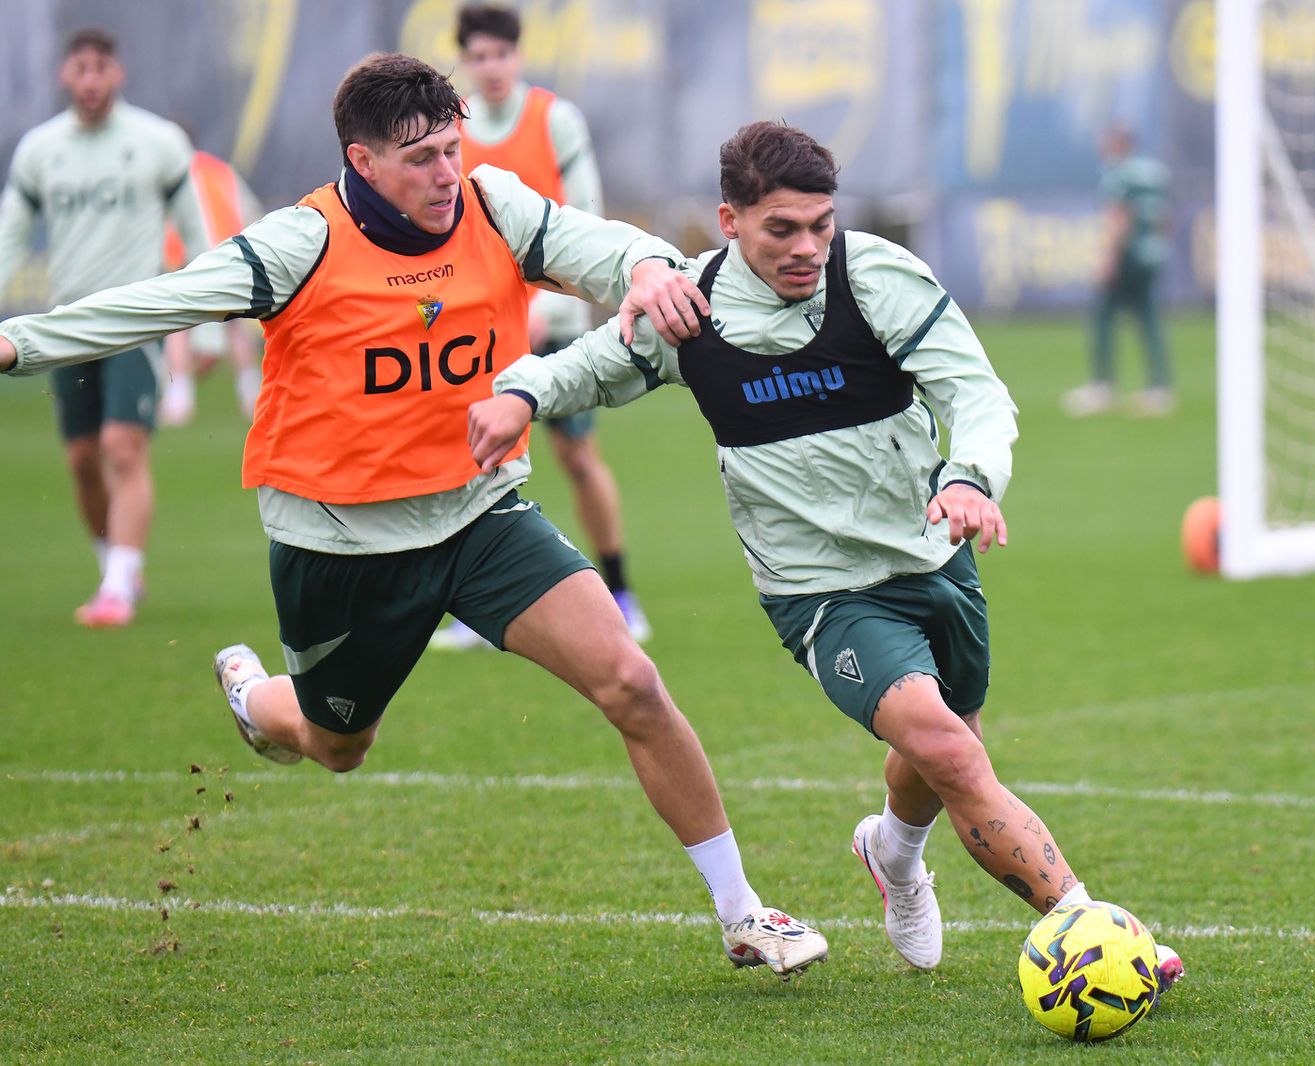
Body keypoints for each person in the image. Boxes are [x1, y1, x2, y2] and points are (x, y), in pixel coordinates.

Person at [0, 55, 827, 979]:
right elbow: (163, 301)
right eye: (420, 158)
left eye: (451, 147)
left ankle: (746, 914)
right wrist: (17, 342)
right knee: (336, 746)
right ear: (361, 160)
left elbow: (597, 244)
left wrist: (648, 269)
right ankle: (255, 698)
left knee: (630, 682)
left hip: (481, 518)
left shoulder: (493, 204)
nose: (445, 174)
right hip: (341, 546)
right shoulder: (298, 244)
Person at [468, 120, 1186, 989]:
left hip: (932, 556)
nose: (808, 247)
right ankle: (1095, 934)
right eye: (782, 229)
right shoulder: (687, 310)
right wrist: (520, 392)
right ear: (729, 220)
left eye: (822, 224)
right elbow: (585, 366)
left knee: (944, 743)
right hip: (819, 592)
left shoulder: (877, 276)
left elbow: (978, 395)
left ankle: (894, 853)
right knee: (951, 751)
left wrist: (970, 479)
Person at [429, 3, 649, 651]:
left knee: (578, 457)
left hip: (549, 323)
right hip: (480, 327)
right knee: (476, 461)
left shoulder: (555, 119)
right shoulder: (455, 127)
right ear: (465, 60)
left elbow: (585, 217)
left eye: (502, 54)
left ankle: (621, 591)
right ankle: (475, 603)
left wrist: (558, 307)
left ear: (518, 57)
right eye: (480, 56)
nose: (492, 67)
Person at [0, 26, 208, 627]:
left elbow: (196, 231)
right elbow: (13, 236)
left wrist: (214, 329)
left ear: (117, 75)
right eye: (80, 69)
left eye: (101, 69)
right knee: (83, 459)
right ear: (66, 76)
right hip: (66, 325)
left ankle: (116, 586)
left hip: (136, 320)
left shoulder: (157, 141)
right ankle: (116, 566)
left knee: (123, 447)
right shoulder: (41, 150)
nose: (90, 81)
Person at [1062, 125, 1173, 418]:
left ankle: (1102, 386)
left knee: (1103, 315)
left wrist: (1107, 260)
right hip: (1151, 252)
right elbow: (1164, 216)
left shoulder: (1117, 174)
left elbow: (1119, 217)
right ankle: (1159, 388)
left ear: (1118, 144)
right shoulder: (1154, 172)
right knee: (1148, 318)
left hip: (1127, 255)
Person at [158, 147, 267, 425]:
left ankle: (179, 399)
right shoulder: (220, 169)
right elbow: (249, 210)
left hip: (182, 255)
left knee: (178, 326)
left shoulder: (168, 169)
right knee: (235, 324)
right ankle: (251, 394)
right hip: (226, 252)